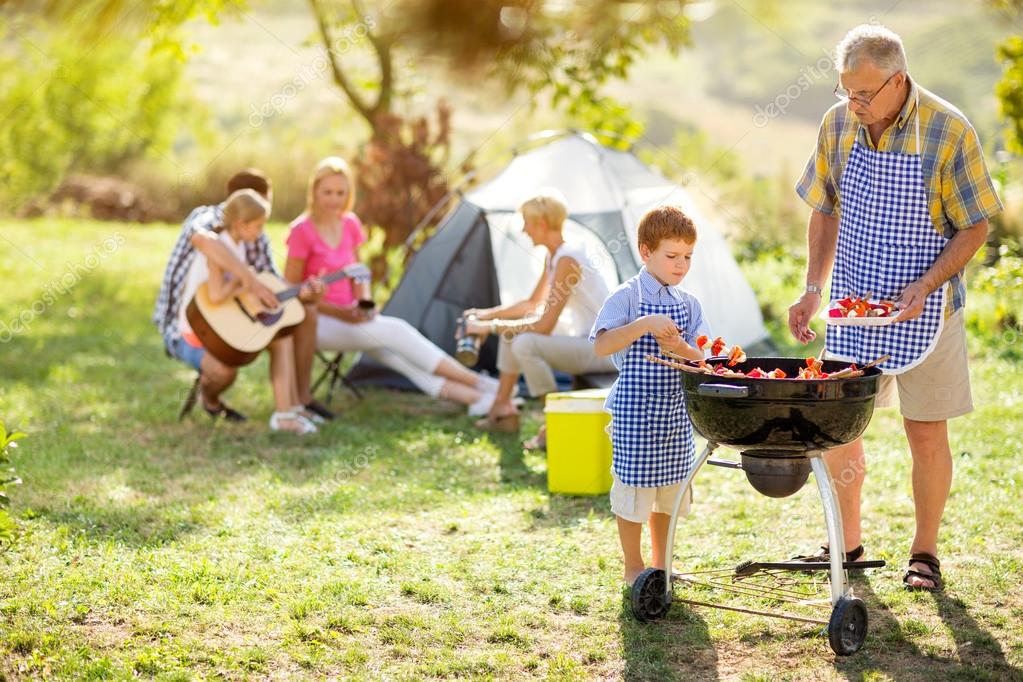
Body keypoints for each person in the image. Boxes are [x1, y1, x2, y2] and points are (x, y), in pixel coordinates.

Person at [788, 25, 1002, 591]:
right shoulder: (838, 124)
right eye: (845, 91)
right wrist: (812, 287)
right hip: (854, 306)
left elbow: (975, 226)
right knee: (840, 426)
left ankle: (924, 553)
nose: (853, 103)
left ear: (898, 80)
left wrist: (926, 285)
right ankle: (847, 544)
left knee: (925, 432)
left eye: (863, 93)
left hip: (925, 310)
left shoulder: (948, 129)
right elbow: (824, 208)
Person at [285, 157, 500, 414]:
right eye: (327, 192)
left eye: (340, 193)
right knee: (396, 331)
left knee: (396, 356)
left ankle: (478, 398)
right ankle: (483, 383)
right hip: (317, 323)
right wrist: (341, 313)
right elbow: (292, 291)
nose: (334, 199)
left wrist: (364, 305)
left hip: (353, 318)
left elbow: (359, 275)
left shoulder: (350, 223)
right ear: (314, 192)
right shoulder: (301, 230)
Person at [590, 206, 710, 585]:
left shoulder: (689, 304)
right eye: (672, 256)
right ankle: (633, 567)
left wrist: (680, 348)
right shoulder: (626, 296)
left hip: (674, 415)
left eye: (687, 257)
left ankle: (662, 565)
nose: (681, 265)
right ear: (646, 252)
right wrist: (643, 324)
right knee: (634, 494)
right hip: (635, 415)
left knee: (669, 493)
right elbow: (601, 345)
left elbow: (705, 357)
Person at [154, 168, 330, 422]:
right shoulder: (212, 228)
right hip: (193, 326)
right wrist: (247, 280)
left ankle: (292, 408)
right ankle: (212, 401)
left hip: (232, 317)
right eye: (258, 212)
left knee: (293, 326)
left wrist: (302, 293)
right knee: (224, 370)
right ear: (240, 212)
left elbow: (271, 283)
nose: (262, 226)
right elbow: (206, 247)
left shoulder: (249, 237)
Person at [461, 193, 617, 447]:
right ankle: (502, 408)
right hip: (586, 341)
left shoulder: (568, 259)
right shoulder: (555, 256)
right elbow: (531, 304)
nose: (524, 230)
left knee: (524, 343)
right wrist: (486, 314)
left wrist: (488, 327)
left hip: (605, 349)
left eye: (527, 223)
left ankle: (554, 423)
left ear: (542, 224)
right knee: (512, 336)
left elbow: (544, 325)